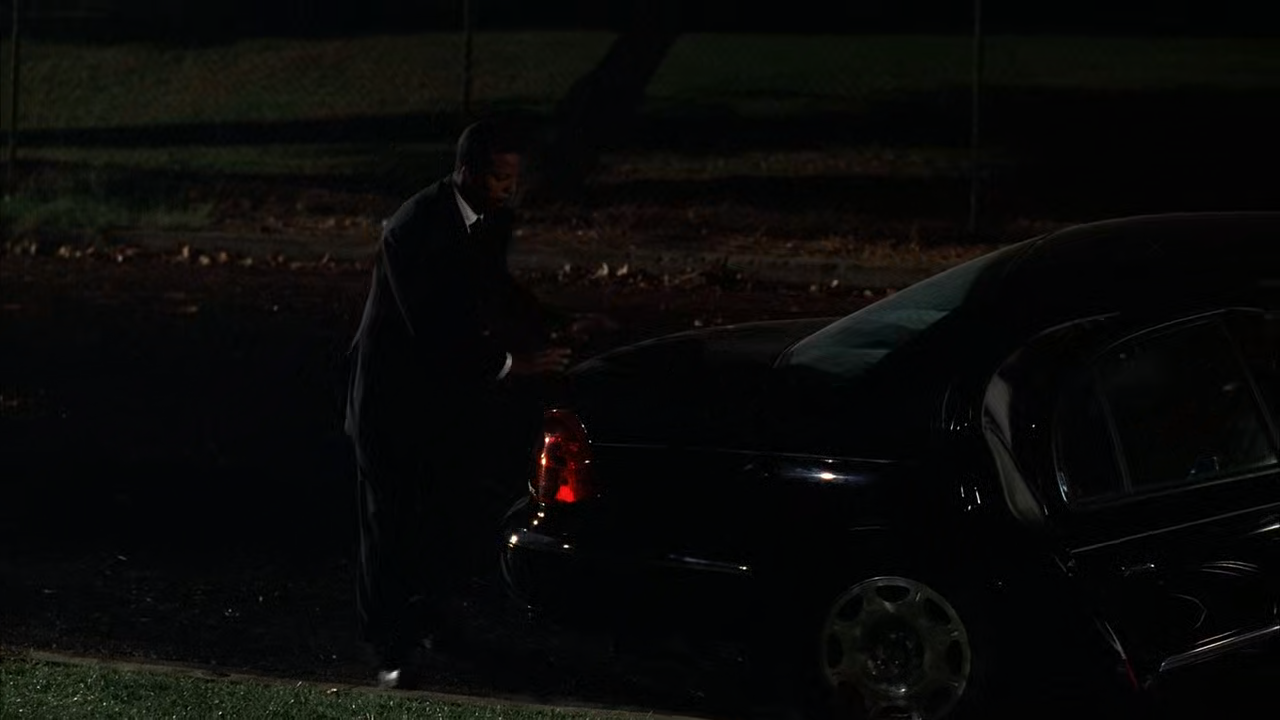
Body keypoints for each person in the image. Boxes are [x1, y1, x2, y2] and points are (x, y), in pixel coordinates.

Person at [343, 117, 608, 688]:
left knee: (442, 514)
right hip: (392, 401)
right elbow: (431, 328)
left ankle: (430, 619)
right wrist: (515, 363)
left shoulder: (482, 220)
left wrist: (555, 322)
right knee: (389, 524)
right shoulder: (415, 227)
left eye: (513, 178)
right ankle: (387, 643)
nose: (509, 189)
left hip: (439, 400)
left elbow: (494, 290)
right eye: (499, 178)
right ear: (467, 171)